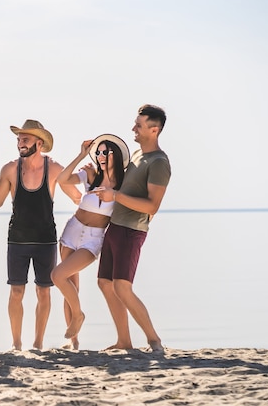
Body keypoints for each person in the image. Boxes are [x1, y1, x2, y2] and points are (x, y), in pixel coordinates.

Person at [92, 104, 170, 353]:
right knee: (105, 282)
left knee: (122, 287)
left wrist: (114, 196)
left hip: (131, 230)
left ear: (154, 130)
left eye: (139, 125)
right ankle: (124, 341)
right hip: (115, 226)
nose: (133, 128)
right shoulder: (137, 156)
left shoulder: (159, 162)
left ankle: (154, 340)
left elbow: (152, 206)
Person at [0, 119, 75, 351]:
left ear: (39, 142)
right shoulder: (10, 169)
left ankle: (38, 343)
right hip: (17, 238)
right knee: (16, 291)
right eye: (19, 139)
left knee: (43, 292)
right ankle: (17, 344)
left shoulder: (55, 169)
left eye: (25, 139)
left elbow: (77, 197)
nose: (20, 143)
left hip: (45, 239)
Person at [51, 134, 129, 350]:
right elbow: (62, 180)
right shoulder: (90, 174)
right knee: (70, 286)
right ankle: (73, 342)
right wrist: (81, 155)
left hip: (93, 239)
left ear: (117, 154)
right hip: (72, 230)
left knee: (58, 275)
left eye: (107, 152)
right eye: (99, 152)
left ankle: (79, 315)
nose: (102, 156)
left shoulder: (123, 184)